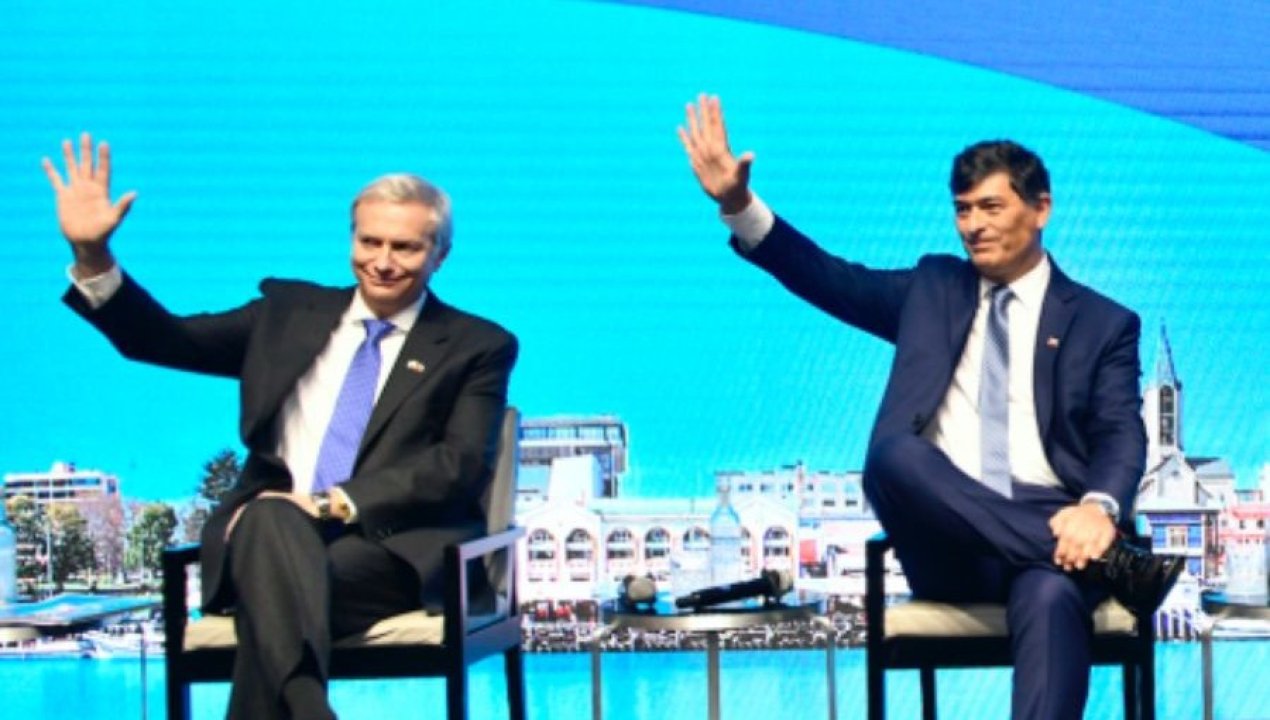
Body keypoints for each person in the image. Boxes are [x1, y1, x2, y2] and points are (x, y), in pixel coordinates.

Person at [678, 95, 1181, 720]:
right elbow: (828, 277)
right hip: (948, 539)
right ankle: (1115, 566)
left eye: (991, 207)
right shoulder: (932, 288)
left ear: (1041, 209)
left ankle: (1089, 555)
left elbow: (1120, 434)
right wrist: (738, 204)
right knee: (896, 455)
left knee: (1054, 597)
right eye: (963, 210)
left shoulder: (1104, 323)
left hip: (1058, 535)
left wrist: (1098, 510)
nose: (973, 225)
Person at [43, 133, 518, 720]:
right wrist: (93, 257)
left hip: (387, 552)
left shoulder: (476, 345)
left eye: (404, 247)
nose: (382, 261)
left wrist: (326, 504)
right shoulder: (287, 315)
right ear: (351, 238)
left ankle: (304, 705)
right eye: (369, 241)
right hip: (262, 537)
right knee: (271, 523)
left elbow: (458, 465)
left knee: (274, 592)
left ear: (439, 254)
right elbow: (162, 340)